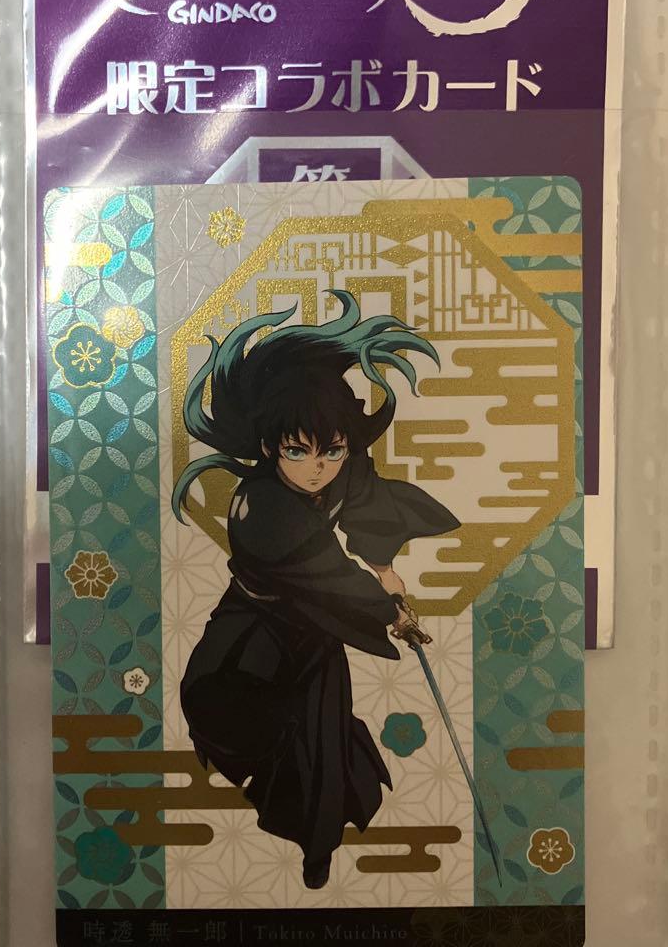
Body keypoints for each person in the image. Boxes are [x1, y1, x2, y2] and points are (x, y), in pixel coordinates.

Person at [172, 290, 459, 889]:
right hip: (254, 631)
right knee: (227, 713)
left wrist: (383, 565)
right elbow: (326, 571)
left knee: (322, 744)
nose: (317, 467)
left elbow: (366, 503)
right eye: (297, 452)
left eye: (332, 450)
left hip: (314, 634)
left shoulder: (343, 465)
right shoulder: (260, 507)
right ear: (271, 446)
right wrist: (389, 609)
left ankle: (318, 844)